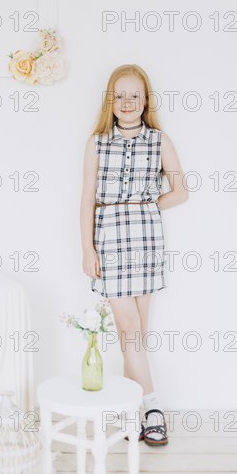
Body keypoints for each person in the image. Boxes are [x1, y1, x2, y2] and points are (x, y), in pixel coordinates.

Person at [80, 64, 189, 445]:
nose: (127, 103)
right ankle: (153, 407)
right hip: (109, 240)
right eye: (119, 95)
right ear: (110, 101)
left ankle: (132, 412)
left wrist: (145, 205)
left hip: (145, 239)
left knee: (135, 335)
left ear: (146, 101)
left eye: (135, 96)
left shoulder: (160, 140)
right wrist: (87, 249)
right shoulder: (97, 142)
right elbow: (87, 200)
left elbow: (181, 191)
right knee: (129, 331)